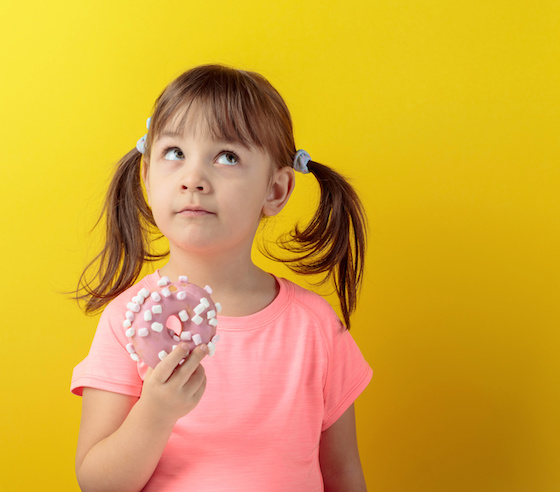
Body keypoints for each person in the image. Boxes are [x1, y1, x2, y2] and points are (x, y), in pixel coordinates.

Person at [70, 64, 372, 491]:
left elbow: (343, 474)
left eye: (227, 157)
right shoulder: (126, 322)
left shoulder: (316, 327)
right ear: (147, 175)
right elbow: (98, 483)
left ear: (276, 191)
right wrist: (157, 411)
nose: (193, 179)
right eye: (174, 153)